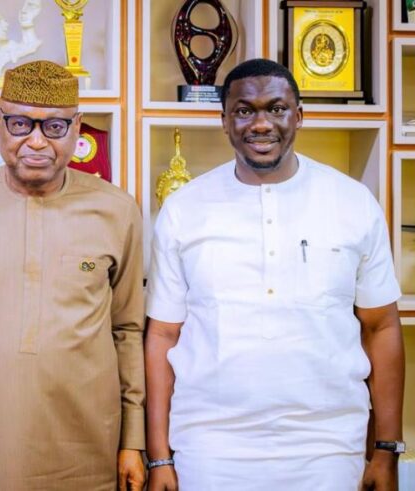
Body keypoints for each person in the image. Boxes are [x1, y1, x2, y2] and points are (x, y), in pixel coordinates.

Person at [145, 58, 405, 491]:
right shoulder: (183, 209)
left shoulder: (352, 202)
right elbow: (162, 336)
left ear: (298, 116)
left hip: (328, 448)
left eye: (277, 108)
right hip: (208, 448)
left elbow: (382, 327)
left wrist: (386, 449)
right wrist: (159, 458)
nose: (261, 123)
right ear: (224, 121)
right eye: (244, 110)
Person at [0, 60, 146, 490]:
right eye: (21, 124)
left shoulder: (117, 210)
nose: (37, 142)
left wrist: (133, 441)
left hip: (89, 441)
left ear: (77, 127)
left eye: (55, 127)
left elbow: (128, 331)